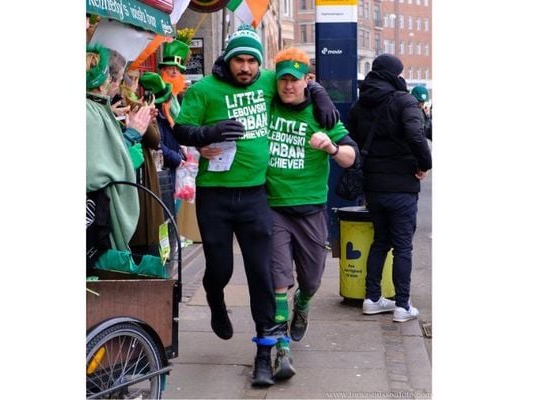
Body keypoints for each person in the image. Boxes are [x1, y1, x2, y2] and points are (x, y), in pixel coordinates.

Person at [172, 24, 339, 387]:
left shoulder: (266, 82)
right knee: (220, 268)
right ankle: (215, 297)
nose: (246, 68)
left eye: (251, 61)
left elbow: (295, 79)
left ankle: (264, 354)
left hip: (255, 196)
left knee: (261, 276)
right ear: (227, 61)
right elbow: (181, 130)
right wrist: (208, 133)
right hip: (215, 195)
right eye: (239, 61)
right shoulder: (204, 90)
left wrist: (320, 94)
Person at [265, 48, 357, 380]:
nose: (288, 86)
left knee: (313, 280)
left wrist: (331, 147)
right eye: (283, 79)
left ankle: (302, 305)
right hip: (273, 208)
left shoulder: (322, 115)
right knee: (277, 281)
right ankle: (282, 349)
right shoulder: (269, 104)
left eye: (295, 79)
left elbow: (351, 156)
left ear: (307, 80)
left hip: (311, 211)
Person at [346, 54, 432, 323]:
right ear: (395, 74)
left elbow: (351, 138)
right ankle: (402, 305)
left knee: (381, 241)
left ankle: (372, 298)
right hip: (402, 185)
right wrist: (424, 164)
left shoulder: (360, 104)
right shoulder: (403, 100)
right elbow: (416, 135)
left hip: (373, 185)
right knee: (403, 246)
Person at [86, 43, 151, 258]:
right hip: (94, 215)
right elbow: (100, 167)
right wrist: (132, 134)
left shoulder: (94, 108)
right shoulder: (90, 111)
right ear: (104, 81)